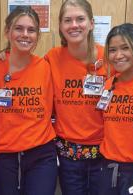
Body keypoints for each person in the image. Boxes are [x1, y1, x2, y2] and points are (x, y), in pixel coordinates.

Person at [0, 6, 57, 195]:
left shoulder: (46, 67)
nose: (25, 34)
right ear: (7, 31)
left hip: (41, 154)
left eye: (31, 30)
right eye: (19, 28)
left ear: (37, 35)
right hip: (4, 157)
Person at [44, 0, 113, 194]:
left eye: (80, 19)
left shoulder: (108, 59)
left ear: (91, 23)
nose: (74, 25)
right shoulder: (52, 58)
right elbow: (27, 70)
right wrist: (6, 53)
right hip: (68, 157)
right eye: (68, 20)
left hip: (104, 154)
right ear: (60, 26)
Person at [97, 23, 133, 195]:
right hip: (107, 168)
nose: (118, 55)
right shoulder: (109, 85)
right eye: (113, 50)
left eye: (125, 48)